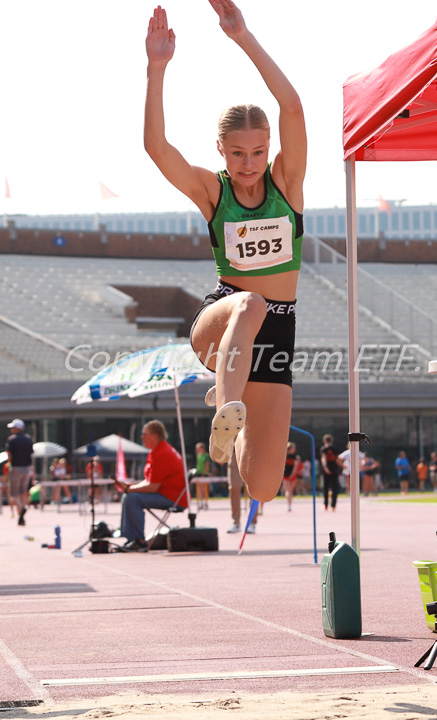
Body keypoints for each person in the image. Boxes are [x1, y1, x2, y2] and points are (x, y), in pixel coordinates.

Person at [144, 1, 307, 504]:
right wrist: (156, 69)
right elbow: (157, 148)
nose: (250, 163)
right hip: (223, 319)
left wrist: (243, 36)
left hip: (278, 328)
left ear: (270, 148)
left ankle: (226, 418)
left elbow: (293, 107)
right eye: (238, 153)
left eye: (258, 152)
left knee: (262, 488)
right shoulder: (213, 193)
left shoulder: (287, 183)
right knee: (250, 302)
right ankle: (227, 399)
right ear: (221, 150)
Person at [116, 420, 188, 551]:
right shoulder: (156, 451)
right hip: (165, 493)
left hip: (173, 498)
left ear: (155, 436)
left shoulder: (162, 453)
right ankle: (132, 538)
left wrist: (130, 489)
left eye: (144, 434)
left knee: (132, 498)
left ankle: (139, 541)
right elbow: (150, 481)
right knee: (129, 496)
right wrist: (131, 487)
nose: (142, 436)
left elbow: (152, 486)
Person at [5, 419, 33, 526]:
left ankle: (21, 508)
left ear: (17, 428)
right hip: (26, 468)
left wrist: (8, 465)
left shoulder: (12, 440)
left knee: (13, 493)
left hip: (16, 468)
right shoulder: (28, 439)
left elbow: (9, 455)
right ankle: (21, 517)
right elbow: (30, 453)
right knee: (22, 492)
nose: (11, 429)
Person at [226, 448, 257, 533]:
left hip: (252, 453)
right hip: (235, 453)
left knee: (253, 490)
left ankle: (252, 523)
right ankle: (236, 523)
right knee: (234, 488)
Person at [320, 434, 343, 511]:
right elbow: (338, 459)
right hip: (334, 469)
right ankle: (333, 505)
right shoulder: (335, 448)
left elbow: (323, 459)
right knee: (335, 488)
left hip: (327, 470)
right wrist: (343, 466)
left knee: (326, 488)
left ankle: (325, 504)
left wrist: (325, 467)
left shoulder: (324, 449)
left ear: (324, 441)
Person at [282, 441, 301, 512]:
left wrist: (292, 474)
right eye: (293, 448)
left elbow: (295, 467)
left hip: (292, 475)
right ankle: (289, 505)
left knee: (291, 490)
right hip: (286, 475)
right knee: (288, 490)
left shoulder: (295, 457)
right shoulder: (284, 456)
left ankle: (290, 504)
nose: (294, 450)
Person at [193, 442, 211, 510]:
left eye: (198, 448)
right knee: (199, 489)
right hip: (199, 473)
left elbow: (207, 464)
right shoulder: (198, 455)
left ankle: (205, 502)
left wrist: (204, 473)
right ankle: (200, 502)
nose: (197, 450)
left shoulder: (206, 455)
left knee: (204, 489)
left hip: (204, 474)